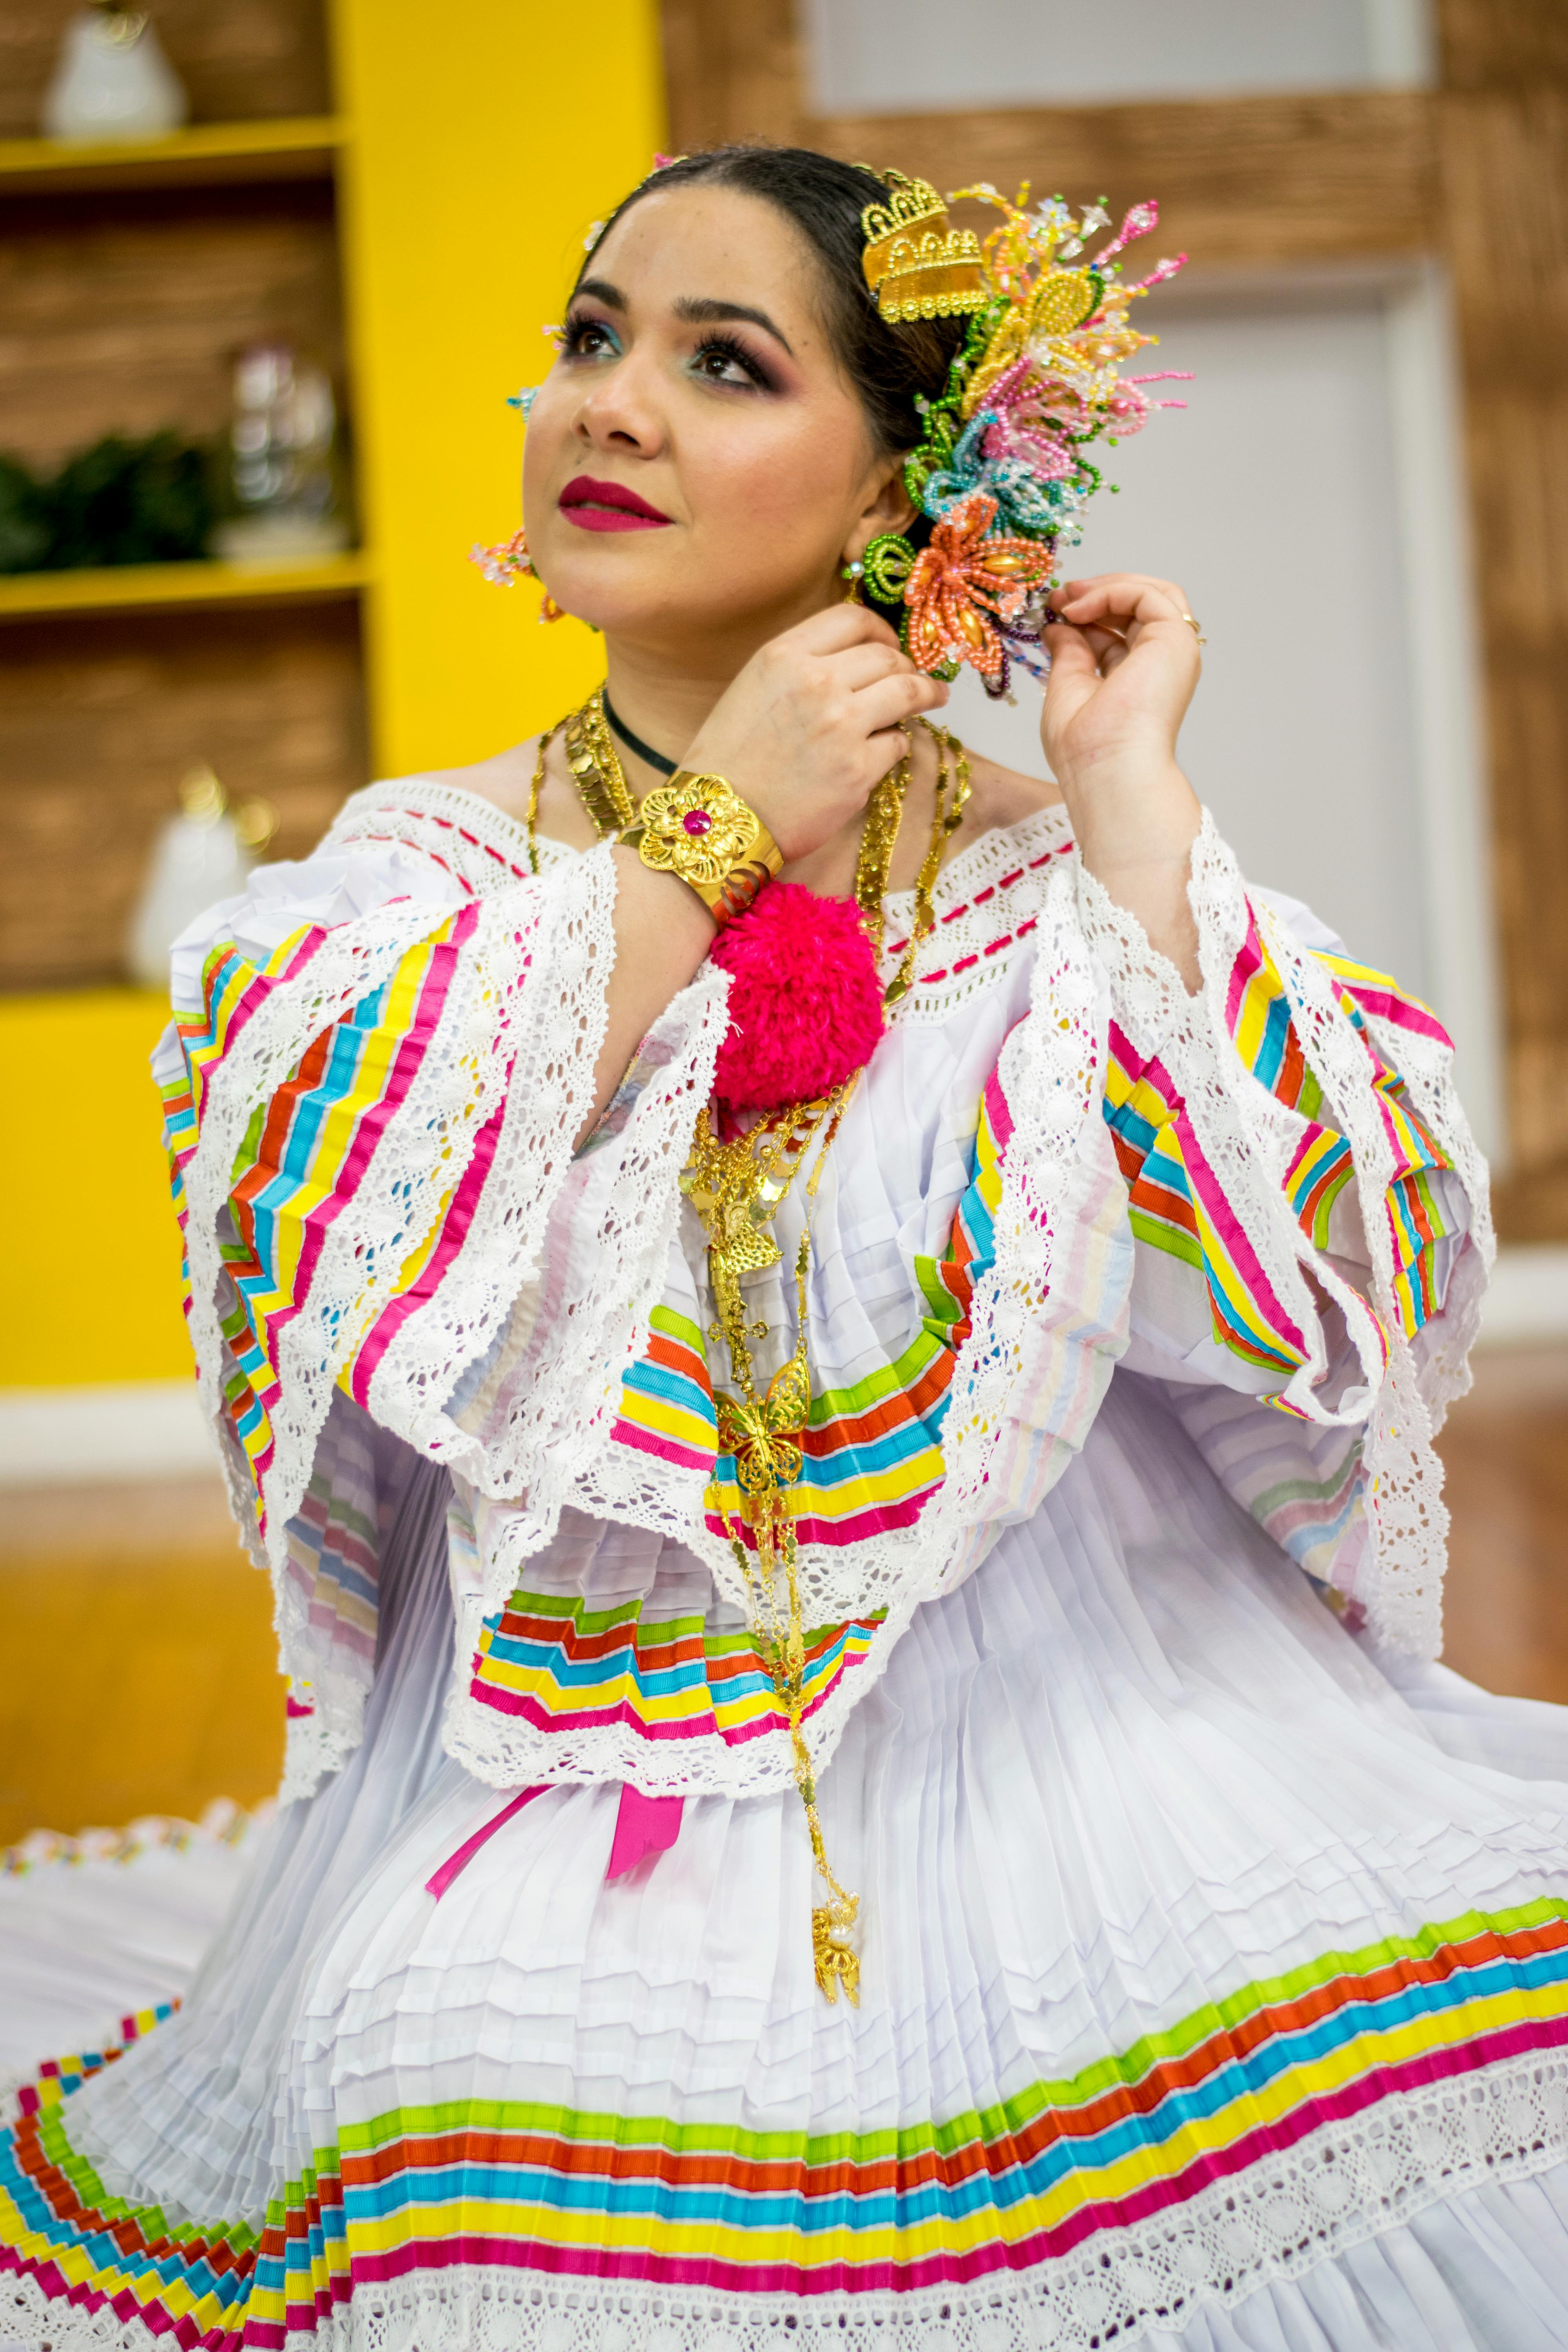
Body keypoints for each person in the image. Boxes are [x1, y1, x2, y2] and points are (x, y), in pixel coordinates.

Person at [6, 143, 1568, 2352]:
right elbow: (308, 1208)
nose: (606, 404)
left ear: (900, 495)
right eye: (588, 337)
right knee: (458, 2157)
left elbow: (1342, 1279)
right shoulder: (429, 876)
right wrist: (709, 845)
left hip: (1082, 1724)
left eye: (720, 362)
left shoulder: (1042, 877)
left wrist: (1128, 797)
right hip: (566, 1766)